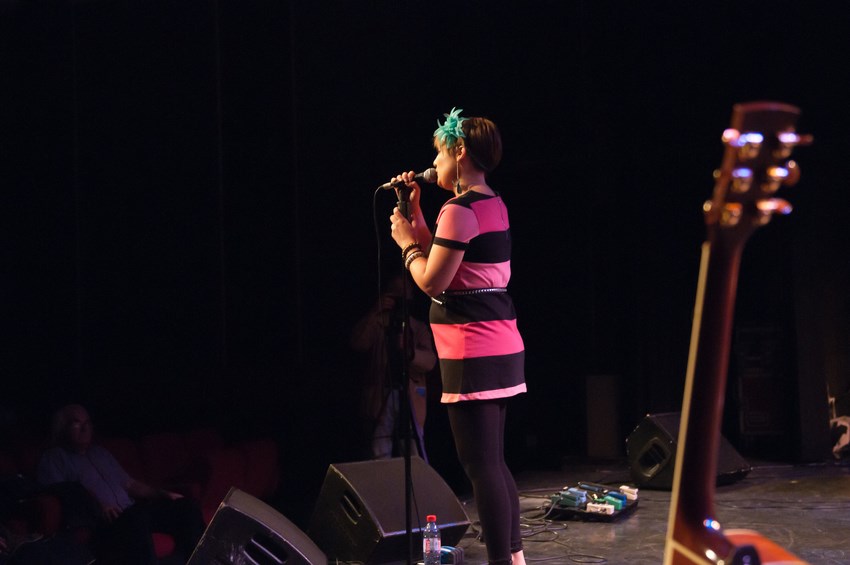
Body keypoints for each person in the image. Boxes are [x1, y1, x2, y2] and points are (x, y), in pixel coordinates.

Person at [387, 107, 527, 565]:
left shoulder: (460, 209)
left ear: (460, 151)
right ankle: (515, 558)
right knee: (494, 461)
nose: (434, 164)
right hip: (499, 341)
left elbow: (432, 281)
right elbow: (450, 263)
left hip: (472, 347)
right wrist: (415, 214)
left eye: (440, 154)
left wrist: (405, 242)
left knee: (480, 465)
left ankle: (502, 562)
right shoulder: (491, 203)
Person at [36, 404, 204, 565]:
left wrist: (163, 494)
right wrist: (97, 506)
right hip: (103, 524)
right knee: (136, 518)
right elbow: (64, 494)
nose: (85, 428)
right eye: (76, 423)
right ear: (62, 428)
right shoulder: (54, 458)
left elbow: (129, 484)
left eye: (87, 423)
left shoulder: (100, 453)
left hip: (132, 514)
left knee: (186, 506)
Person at [350, 274, 437, 459]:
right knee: (379, 448)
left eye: (403, 293)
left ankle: (417, 479)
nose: (399, 298)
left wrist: (410, 352)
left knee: (413, 449)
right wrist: (376, 312)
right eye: (395, 293)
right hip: (382, 394)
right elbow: (358, 343)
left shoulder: (417, 328)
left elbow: (430, 361)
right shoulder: (378, 323)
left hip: (410, 394)